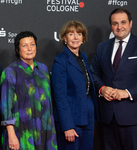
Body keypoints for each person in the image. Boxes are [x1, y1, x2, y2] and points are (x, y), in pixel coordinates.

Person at [0, 31, 57, 150]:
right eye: (24, 45)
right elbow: (6, 108)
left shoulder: (43, 69)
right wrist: (11, 135)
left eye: (32, 44)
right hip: (22, 133)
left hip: (45, 132)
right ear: (17, 49)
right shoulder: (10, 72)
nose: (29, 48)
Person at [90, 8, 137, 150]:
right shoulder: (102, 47)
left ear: (130, 23)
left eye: (123, 22)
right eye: (115, 23)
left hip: (132, 117)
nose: (119, 27)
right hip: (107, 117)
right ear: (111, 26)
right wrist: (102, 89)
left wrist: (128, 92)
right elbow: (94, 72)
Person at [51, 20, 99, 150]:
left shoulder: (83, 56)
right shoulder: (60, 61)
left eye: (79, 34)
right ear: (64, 38)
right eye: (71, 34)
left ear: (83, 38)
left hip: (88, 113)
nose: (76, 37)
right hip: (72, 117)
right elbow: (60, 97)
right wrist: (67, 126)